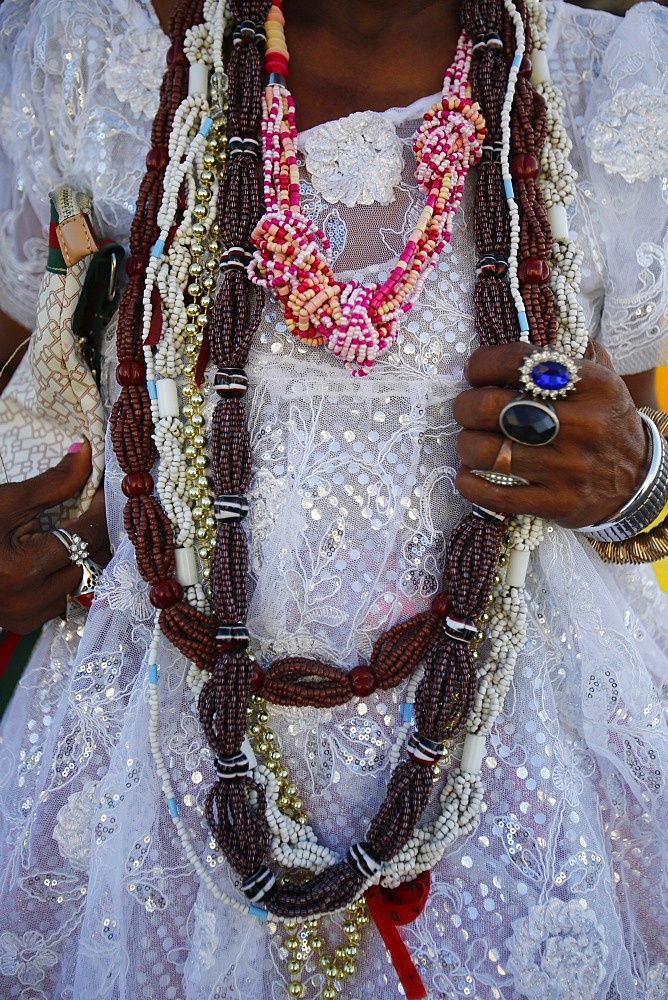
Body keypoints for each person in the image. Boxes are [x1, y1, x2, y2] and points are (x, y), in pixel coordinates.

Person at [0, 0, 666, 997]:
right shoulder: (90, 64)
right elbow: (32, 384)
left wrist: (633, 483)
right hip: (154, 782)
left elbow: (623, 439)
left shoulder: (607, 87)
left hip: (522, 779)